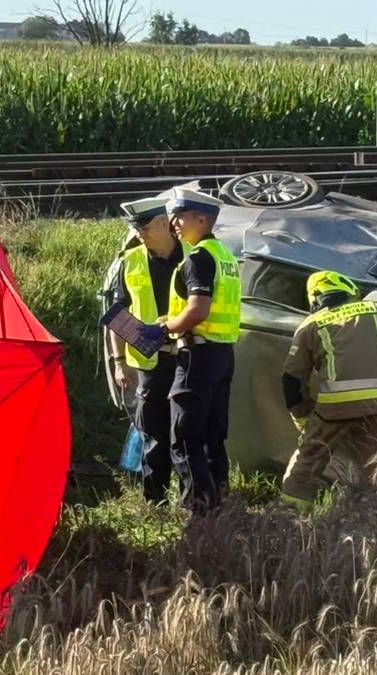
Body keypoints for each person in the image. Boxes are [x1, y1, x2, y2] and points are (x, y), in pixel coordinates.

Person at [280, 270, 377, 508]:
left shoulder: (310, 324)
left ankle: (288, 514)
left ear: (315, 299)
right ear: (350, 291)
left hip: (334, 408)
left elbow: (292, 378)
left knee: (307, 464)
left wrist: (304, 419)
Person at [157, 188, 241, 515]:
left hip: (197, 357)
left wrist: (167, 327)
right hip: (222, 355)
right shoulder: (225, 256)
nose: (173, 224)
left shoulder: (197, 258)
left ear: (202, 219)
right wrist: (174, 321)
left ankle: (198, 512)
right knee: (212, 437)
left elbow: (198, 310)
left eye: (180, 217)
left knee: (185, 437)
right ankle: (221, 504)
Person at [109, 196, 189, 504]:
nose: (139, 234)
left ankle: (191, 500)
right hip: (150, 361)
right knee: (154, 435)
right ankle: (155, 500)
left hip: (188, 355)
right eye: (136, 229)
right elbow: (117, 316)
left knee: (186, 431)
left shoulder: (193, 254)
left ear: (163, 223)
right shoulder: (130, 260)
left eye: (144, 228)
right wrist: (119, 361)